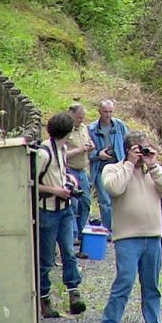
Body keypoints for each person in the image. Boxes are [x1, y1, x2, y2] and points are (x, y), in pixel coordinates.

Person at [97, 131, 162, 323]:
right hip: (127, 237)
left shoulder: (153, 171)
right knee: (124, 282)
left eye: (145, 148)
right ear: (128, 149)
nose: (142, 153)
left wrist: (153, 165)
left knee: (152, 285)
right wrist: (130, 164)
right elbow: (114, 188)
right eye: (138, 149)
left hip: (152, 236)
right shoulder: (113, 169)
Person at [36, 112, 87, 318]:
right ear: (65, 131)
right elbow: (29, 183)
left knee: (69, 251)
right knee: (46, 259)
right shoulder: (43, 154)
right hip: (47, 210)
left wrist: (70, 181)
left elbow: (61, 173)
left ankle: (74, 293)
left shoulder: (62, 148)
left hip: (65, 209)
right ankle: (44, 298)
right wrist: (55, 190)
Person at [88, 99, 129, 234]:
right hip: (100, 168)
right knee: (105, 200)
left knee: (120, 198)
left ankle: (120, 226)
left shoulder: (120, 126)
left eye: (111, 112)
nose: (108, 115)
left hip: (118, 166)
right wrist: (98, 154)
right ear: (99, 111)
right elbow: (86, 150)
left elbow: (128, 142)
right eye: (105, 112)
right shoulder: (91, 129)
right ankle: (108, 229)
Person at [66, 103, 95, 255]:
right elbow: (61, 154)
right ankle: (72, 236)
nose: (80, 121)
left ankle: (82, 233)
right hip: (69, 170)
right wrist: (80, 149)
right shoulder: (64, 129)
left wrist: (90, 146)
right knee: (73, 204)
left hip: (83, 170)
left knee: (86, 202)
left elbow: (88, 142)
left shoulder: (84, 128)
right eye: (78, 118)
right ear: (71, 115)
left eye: (82, 118)